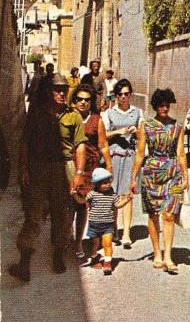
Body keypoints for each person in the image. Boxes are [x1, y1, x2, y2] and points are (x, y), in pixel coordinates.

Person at [9, 73, 87, 282]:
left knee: (62, 214)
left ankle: (58, 254)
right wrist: (23, 168)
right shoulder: (37, 114)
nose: (61, 93)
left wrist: (79, 173)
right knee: (34, 213)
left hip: (64, 167)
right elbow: (25, 142)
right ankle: (24, 261)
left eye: (64, 90)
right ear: (48, 91)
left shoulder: (74, 116)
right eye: (57, 89)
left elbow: (80, 146)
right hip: (39, 168)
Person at [130, 88, 188, 273]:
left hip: (173, 173)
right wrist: (133, 178)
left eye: (167, 105)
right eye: (162, 105)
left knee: (170, 214)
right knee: (153, 214)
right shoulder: (145, 125)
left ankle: (168, 255)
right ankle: (157, 253)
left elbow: (181, 153)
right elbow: (140, 153)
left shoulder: (177, 126)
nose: (165, 108)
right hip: (151, 173)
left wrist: (185, 177)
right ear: (156, 106)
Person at [70, 83, 112, 258]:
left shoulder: (97, 120)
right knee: (67, 206)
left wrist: (109, 166)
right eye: (79, 99)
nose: (83, 103)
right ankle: (64, 240)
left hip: (89, 169)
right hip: (70, 166)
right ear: (74, 101)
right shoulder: (68, 118)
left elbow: (102, 145)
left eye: (87, 100)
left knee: (82, 206)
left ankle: (79, 242)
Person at [102, 78, 143, 247]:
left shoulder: (137, 112)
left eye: (126, 94)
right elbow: (102, 134)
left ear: (130, 95)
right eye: (120, 95)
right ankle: (113, 230)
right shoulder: (109, 113)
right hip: (114, 157)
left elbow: (143, 136)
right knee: (113, 194)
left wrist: (137, 131)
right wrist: (117, 131)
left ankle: (126, 233)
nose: (123, 97)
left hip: (129, 157)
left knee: (127, 195)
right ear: (116, 96)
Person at [74, 167, 133, 275]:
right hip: (94, 225)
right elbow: (82, 201)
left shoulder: (112, 195)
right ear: (97, 184)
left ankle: (107, 263)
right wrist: (75, 195)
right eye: (104, 183)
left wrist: (126, 200)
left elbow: (117, 205)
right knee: (94, 244)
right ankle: (94, 258)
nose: (108, 185)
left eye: (109, 182)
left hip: (107, 225)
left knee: (107, 243)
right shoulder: (92, 194)